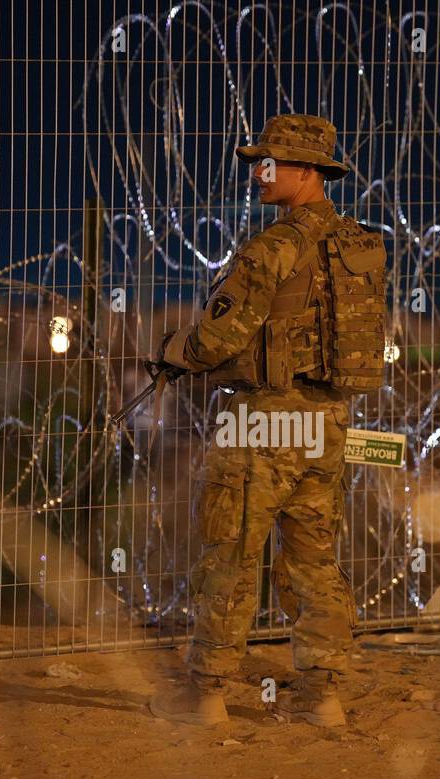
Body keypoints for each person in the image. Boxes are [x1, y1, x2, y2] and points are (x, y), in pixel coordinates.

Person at [147, 114, 387, 728]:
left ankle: (205, 696)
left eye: (271, 161)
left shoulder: (272, 247)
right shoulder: (359, 244)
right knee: (314, 558)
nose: (259, 171)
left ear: (307, 171)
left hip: (263, 421)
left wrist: (172, 350)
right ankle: (322, 696)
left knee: (229, 553)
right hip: (327, 421)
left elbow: (216, 338)